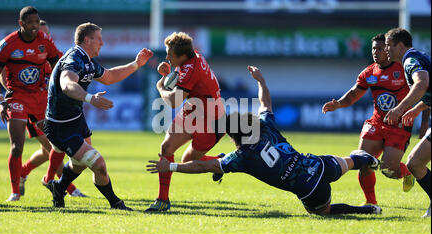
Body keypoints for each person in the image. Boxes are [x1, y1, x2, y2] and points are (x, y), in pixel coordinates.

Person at [147, 66, 382, 215]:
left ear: (234, 137)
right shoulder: (266, 127)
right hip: (318, 166)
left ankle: (368, 210)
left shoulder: (242, 158)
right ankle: (364, 159)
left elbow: (204, 165)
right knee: (347, 162)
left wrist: (170, 166)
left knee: (324, 212)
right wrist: (261, 81)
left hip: (309, 191)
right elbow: (265, 103)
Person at [43, 22, 153, 210]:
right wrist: (89, 98)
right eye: (99, 39)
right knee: (98, 164)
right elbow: (67, 85)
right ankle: (116, 203)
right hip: (60, 126)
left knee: (81, 162)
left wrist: (136, 64)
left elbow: (109, 77)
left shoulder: (88, 61)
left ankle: (58, 187)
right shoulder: (73, 59)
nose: (102, 43)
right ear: (87, 40)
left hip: (75, 119)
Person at [322, 33, 414, 206]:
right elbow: (353, 94)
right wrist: (338, 104)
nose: (376, 52)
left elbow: (421, 88)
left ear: (388, 49)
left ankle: (407, 171)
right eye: (373, 49)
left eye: (380, 48)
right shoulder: (370, 73)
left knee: (388, 169)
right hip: (377, 123)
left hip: (399, 125)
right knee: (363, 160)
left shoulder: (403, 69)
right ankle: (371, 202)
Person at [0, 6, 61, 202]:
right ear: (21, 24)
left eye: (37, 22)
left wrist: (57, 92)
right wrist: (1, 101)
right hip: (16, 98)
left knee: (56, 146)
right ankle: (14, 192)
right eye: (31, 22)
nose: (35, 26)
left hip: (40, 100)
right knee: (16, 147)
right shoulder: (8, 44)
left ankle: (59, 184)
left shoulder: (44, 42)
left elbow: (58, 65)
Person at [145, 32, 225, 212]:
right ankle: (162, 201)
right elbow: (183, 80)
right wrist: (169, 75)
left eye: (170, 55)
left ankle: (221, 163)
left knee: (188, 161)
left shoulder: (190, 68)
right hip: (194, 111)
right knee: (166, 148)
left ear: (181, 56)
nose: (166, 57)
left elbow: (173, 101)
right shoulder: (192, 56)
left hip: (212, 121)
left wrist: (160, 87)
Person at [14, 19, 88, 198]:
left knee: (49, 150)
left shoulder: (54, 56)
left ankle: (24, 173)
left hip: (50, 108)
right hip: (34, 107)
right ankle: (67, 188)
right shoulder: (29, 58)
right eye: (41, 33)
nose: (44, 37)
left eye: (46, 34)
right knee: (54, 147)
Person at [383, 28, 431, 217]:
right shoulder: (418, 55)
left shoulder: (410, 60)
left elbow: (422, 84)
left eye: (388, 45)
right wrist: (417, 109)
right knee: (415, 163)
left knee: (415, 163)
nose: (386, 49)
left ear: (400, 45)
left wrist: (399, 108)